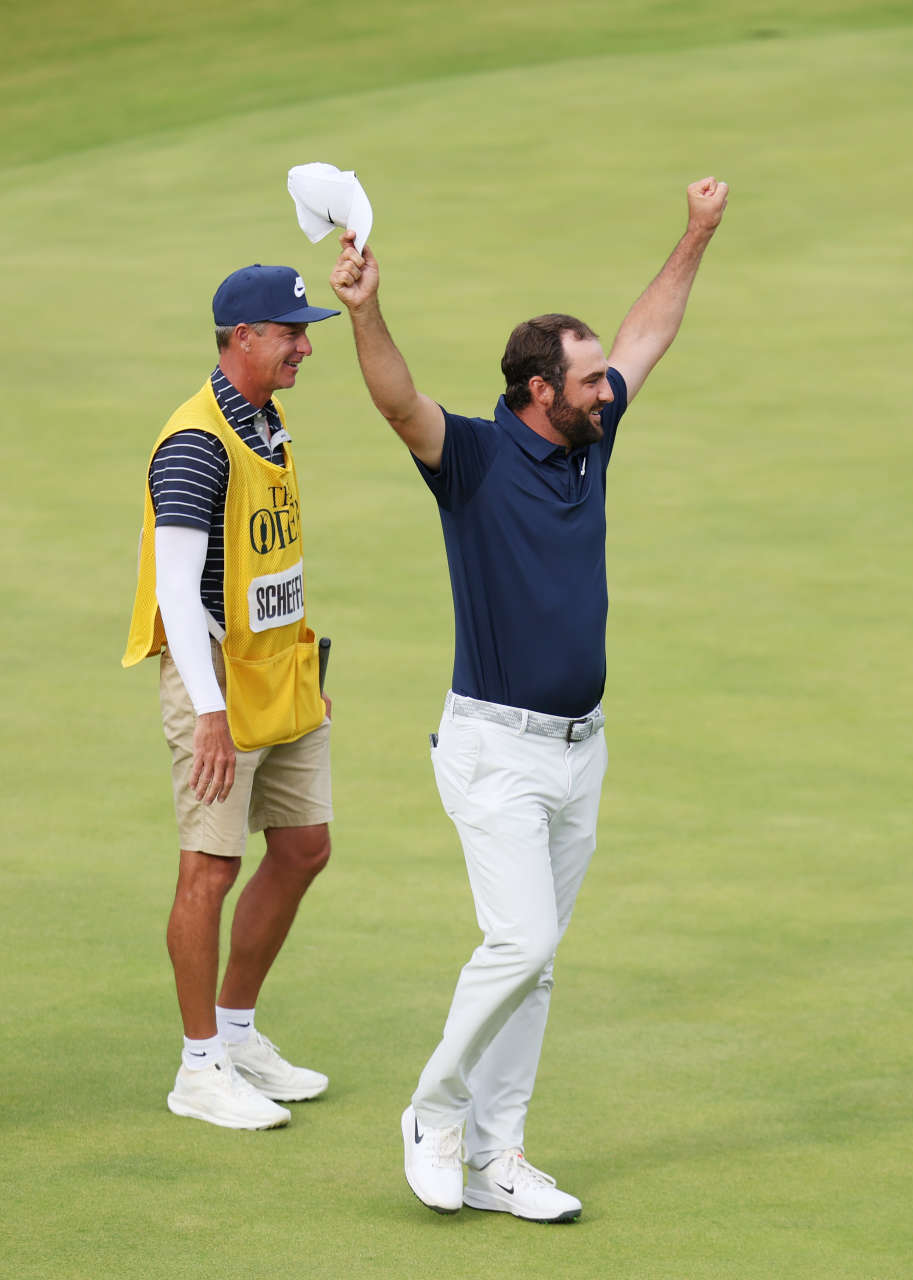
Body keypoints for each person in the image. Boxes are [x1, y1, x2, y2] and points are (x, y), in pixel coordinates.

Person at [328, 178, 729, 1219]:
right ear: (536, 392)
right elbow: (393, 399)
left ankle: (500, 1155)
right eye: (591, 381)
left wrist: (695, 233)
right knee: (522, 941)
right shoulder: (469, 457)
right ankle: (433, 1110)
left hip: (579, 750)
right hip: (494, 749)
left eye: (605, 379)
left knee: (536, 964)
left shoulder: (590, 440)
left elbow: (649, 333)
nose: (611, 390)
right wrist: (366, 308)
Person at [121, 264, 340, 1130]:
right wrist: (210, 712)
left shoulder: (268, 421)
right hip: (213, 679)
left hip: (279, 669)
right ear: (241, 338)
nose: (304, 345)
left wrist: (308, 678)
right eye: (291, 332)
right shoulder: (194, 442)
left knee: (303, 849)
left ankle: (240, 1032)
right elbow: (177, 589)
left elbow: (268, 566)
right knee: (210, 867)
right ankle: (199, 1066)